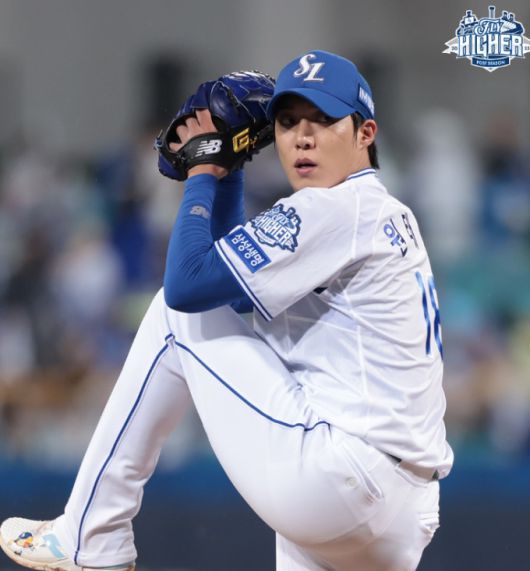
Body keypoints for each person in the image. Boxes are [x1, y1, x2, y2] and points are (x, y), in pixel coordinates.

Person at [0, 50, 453, 571]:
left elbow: (185, 289)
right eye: (288, 122)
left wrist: (203, 172)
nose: (303, 137)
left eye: (323, 119)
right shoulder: (380, 212)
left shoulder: (333, 207)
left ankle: (91, 539)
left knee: (172, 320)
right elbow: (232, 293)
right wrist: (229, 168)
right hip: (399, 512)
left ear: (365, 133)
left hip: (344, 478)